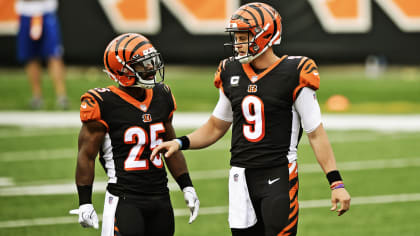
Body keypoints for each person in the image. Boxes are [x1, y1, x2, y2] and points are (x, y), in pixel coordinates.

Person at [151, 2, 351, 236]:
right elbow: (216, 125)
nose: (238, 43)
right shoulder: (230, 71)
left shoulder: (295, 71)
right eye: (236, 36)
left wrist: (336, 182)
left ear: (266, 35)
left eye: (244, 36)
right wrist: (181, 142)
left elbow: (315, 133)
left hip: (278, 172)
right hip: (240, 176)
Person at [70, 33, 200, 236]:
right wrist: (85, 202)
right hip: (125, 200)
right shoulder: (103, 103)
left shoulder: (161, 95)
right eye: (142, 65)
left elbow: (170, 146)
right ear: (121, 70)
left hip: (161, 199)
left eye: (151, 61)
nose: (151, 68)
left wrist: (187, 186)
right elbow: (86, 156)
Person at [15, 0, 69, 109]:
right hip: (25, 14)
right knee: (31, 57)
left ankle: (62, 96)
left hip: (47, 13)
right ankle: (37, 97)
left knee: (54, 55)